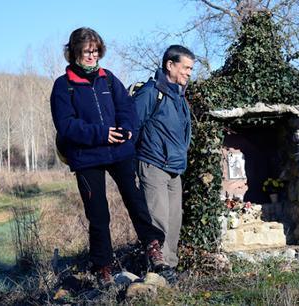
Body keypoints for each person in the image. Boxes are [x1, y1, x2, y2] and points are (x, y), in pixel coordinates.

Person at [50, 27, 165, 284]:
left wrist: (126, 132)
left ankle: (152, 245)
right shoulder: (63, 86)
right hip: (87, 156)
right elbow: (66, 126)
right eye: (86, 52)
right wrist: (102, 134)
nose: (92, 57)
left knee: (135, 200)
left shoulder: (109, 79)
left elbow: (127, 110)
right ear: (74, 53)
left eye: (95, 51)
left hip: (119, 151)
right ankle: (103, 267)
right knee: (99, 214)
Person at [134, 45, 195, 278]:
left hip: (175, 168)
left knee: (173, 220)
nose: (189, 72)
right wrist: (131, 166)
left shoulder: (179, 95)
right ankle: (156, 269)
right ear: (170, 65)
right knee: (157, 219)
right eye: (185, 67)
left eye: (191, 68)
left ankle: (169, 267)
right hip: (153, 164)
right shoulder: (151, 93)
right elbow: (133, 127)